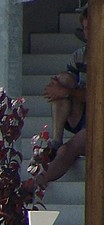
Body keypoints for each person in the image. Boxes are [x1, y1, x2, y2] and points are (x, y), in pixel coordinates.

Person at [33, 5, 88, 190]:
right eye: (86, 29)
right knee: (64, 79)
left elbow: (98, 97)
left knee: (68, 150)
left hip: (96, 120)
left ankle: (39, 181)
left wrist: (67, 93)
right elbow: (61, 87)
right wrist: (61, 88)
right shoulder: (80, 55)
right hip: (80, 114)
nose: (89, 34)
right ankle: (56, 140)